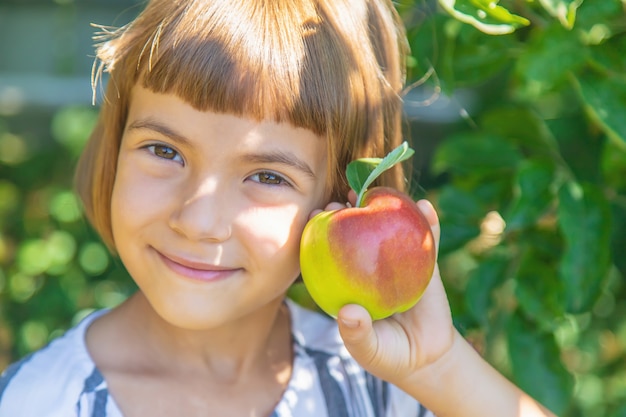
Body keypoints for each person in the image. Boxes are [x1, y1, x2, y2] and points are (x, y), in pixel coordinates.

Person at [0, 0, 556, 416]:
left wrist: (442, 371)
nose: (197, 220)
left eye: (266, 176)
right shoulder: (37, 402)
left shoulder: (382, 390)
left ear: (340, 200)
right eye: (164, 150)